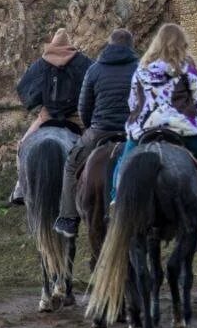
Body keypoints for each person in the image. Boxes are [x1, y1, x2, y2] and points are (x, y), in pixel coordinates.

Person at [112, 23, 197, 233]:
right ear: (181, 44)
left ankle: (116, 198)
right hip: (180, 128)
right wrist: (193, 117)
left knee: (124, 163)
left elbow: (132, 102)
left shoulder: (142, 68)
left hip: (144, 129)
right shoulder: (186, 66)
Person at [53, 28, 139, 239]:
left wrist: (93, 125)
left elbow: (84, 107)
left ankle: (69, 218)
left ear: (109, 45)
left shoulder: (95, 69)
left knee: (72, 163)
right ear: (131, 46)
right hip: (132, 132)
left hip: (100, 130)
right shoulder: (140, 68)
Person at [11, 28, 92, 205]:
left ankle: (21, 186)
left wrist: (38, 102)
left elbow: (25, 88)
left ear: (53, 43)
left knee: (23, 146)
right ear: (69, 43)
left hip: (47, 116)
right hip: (76, 116)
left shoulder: (41, 63)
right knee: (95, 147)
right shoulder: (82, 62)